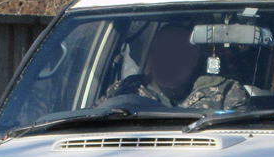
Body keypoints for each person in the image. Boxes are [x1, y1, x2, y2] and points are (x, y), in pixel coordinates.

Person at [101, 22, 248, 110]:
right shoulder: (126, 90)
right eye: (160, 52)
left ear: (194, 56)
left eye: (175, 52)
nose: (166, 59)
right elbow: (92, 119)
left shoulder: (225, 91)